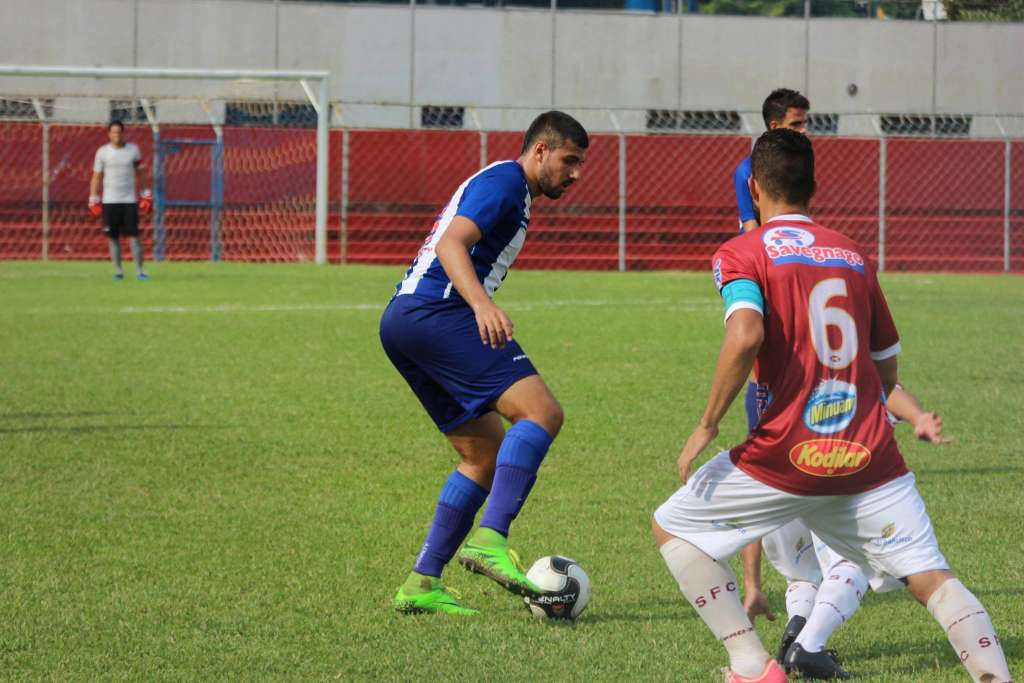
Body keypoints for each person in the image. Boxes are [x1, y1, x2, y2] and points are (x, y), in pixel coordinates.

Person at [653, 129, 1012, 683]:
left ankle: (751, 666)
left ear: (753, 187)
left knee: (672, 527)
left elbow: (745, 333)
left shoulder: (743, 251)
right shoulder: (853, 255)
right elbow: (886, 366)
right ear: (814, 186)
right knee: (932, 579)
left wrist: (706, 424)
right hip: (869, 455)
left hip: (786, 453)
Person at [380, 111, 588, 615]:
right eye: (569, 160)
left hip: (404, 321)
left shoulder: (508, 186)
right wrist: (481, 304)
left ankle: (422, 582)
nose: (576, 173)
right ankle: (490, 539)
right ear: (540, 150)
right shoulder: (505, 182)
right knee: (542, 413)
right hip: (438, 312)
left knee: (483, 455)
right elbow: (453, 242)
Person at [89, 120, 151, 281]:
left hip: (129, 200)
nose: (116, 135)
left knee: (134, 236)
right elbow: (96, 176)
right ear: (109, 134)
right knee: (112, 237)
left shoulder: (133, 150)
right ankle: (118, 271)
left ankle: (140, 271)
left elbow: (142, 172)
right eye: (113, 132)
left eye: (119, 132)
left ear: (123, 133)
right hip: (110, 201)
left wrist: (146, 194)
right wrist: (93, 199)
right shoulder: (102, 152)